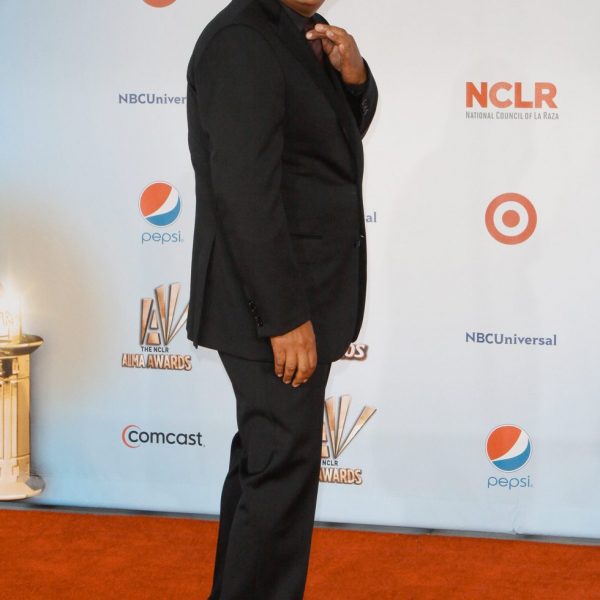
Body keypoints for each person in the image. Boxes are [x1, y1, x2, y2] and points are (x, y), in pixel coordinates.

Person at [186, 0, 378, 597]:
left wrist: (355, 80)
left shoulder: (300, 34)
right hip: (270, 307)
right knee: (278, 472)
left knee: (268, 464)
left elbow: (324, 147)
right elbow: (245, 189)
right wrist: (284, 316)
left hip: (292, 298)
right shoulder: (243, 40)